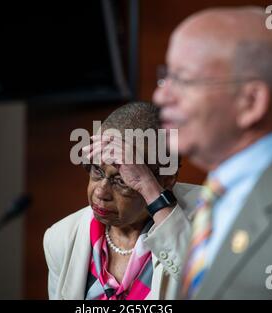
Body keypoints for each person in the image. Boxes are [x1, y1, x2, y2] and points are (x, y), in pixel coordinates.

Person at [153, 6, 272, 299]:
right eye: (165, 77)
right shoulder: (217, 195)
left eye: (184, 79)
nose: (160, 96)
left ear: (251, 102)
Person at [43, 102, 200, 300]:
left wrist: (151, 191)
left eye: (122, 180)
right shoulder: (61, 238)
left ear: (167, 179)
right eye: (96, 171)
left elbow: (210, 289)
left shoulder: (207, 214)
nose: (101, 192)